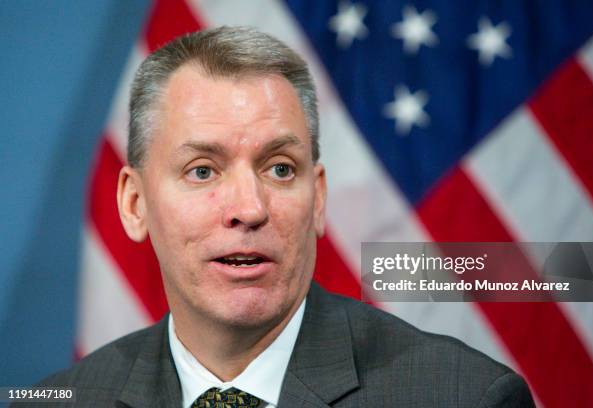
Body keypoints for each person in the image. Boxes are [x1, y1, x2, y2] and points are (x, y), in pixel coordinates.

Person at [35, 26, 534, 407]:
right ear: (134, 204)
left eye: (279, 168)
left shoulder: (464, 397)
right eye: (203, 171)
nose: (249, 209)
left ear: (317, 199)